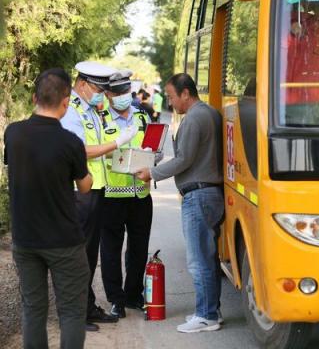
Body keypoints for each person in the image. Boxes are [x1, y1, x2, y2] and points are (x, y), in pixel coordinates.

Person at [4, 69, 93, 349]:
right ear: (66, 102)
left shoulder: (13, 133)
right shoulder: (71, 142)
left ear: (34, 98)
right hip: (64, 241)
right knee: (72, 311)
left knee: (33, 309)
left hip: (25, 239)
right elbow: (85, 187)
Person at [136, 73, 224, 333]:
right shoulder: (210, 113)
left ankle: (206, 315)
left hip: (198, 195)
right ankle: (211, 311)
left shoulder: (195, 118)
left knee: (199, 260)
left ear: (186, 93)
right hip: (210, 193)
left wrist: (152, 173)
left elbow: (184, 159)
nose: (170, 102)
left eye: (172, 96)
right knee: (208, 258)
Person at [60, 61, 138, 331]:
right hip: (80, 192)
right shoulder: (72, 110)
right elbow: (79, 150)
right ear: (82, 84)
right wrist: (117, 142)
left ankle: (87, 306)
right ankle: (75, 314)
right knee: (79, 255)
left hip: (96, 189)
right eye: (98, 89)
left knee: (90, 254)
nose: (102, 94)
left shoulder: (91, 109)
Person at [99, 70, 156, 318]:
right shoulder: (100, 119)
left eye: (125, 91)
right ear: (108, 95)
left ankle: (133, 295)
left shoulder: (142, 117)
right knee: (110, 250)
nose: (122, 96)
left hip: (141, 195)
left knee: (139, 249)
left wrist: (152, 156)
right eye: (117, 92)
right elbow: (96, 152)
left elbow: (156, 149)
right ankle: (116, 300)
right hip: (112, 195)